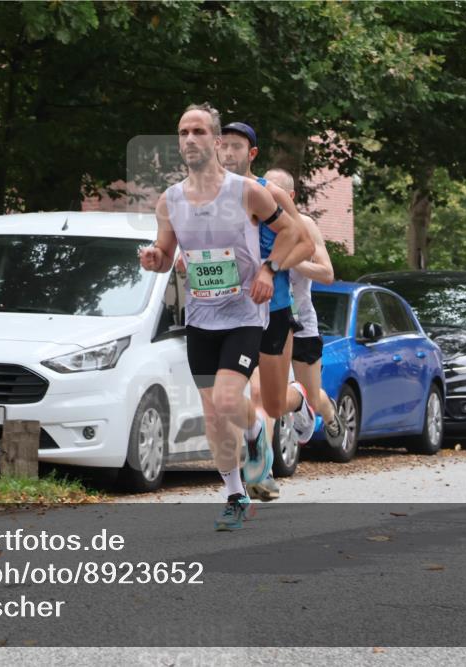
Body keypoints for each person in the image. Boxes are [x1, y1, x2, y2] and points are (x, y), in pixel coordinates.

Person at [139, 103, 310, 531]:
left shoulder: (247, 192)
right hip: (200, 317)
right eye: (183, 132)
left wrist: (269, 269)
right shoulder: (170, 200)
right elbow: (166, 256)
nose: (189, 139)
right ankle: (235, 495)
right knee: (213, 414)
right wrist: (155, 257)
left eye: (198, 131)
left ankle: (254, 435)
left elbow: (292, 231)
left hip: (244, 314)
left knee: (229, 400)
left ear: (216, 141)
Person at [217, 122, 317, 501]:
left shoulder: (270, 193)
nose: (228, 153)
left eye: (237, 146)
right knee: (232, 393)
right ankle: (256, 465)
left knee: (273, 402)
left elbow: (304, 244)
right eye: (223, 145)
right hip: (231, 311)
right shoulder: (209, 198)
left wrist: (270, 269)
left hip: (272, 308)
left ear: (252, 153)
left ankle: (300, 399)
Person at [263, 167, 347, 451]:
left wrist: (291, 261)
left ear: (290, 196)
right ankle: (263, 459)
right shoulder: (254, 224)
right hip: (268, 319)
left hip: (301, 324)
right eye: (264, 189)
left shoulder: (305, 225)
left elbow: (327, 274)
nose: (268, 196)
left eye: (275, 191)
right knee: (265, 393)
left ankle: (328, 411)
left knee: (311, 398)